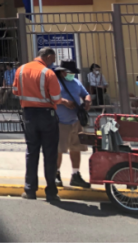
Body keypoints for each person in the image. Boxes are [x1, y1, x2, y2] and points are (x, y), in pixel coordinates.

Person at [13, 47, 72, 202]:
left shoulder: (21, 69)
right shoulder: (48, 73)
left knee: (32, 152)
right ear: (48, 56)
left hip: (29, 115)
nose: (52, 63)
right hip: (47, 115)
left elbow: (15, 91)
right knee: (50, 154)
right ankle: (51, 192)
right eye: (52, 60)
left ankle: (29, 190)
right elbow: (56, 98)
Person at [54, 61, 91, 189]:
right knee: (58, 149)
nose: (72, 75)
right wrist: (63, 102)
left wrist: (87, 101)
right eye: (70, 73)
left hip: (75, 121)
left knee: (76, 148)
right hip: (60, 122)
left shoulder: (76, 82)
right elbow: (49, 97)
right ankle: (55, 174)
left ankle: (75, 174)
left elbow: (86, 94)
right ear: (63, 72)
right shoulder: (54, 82)